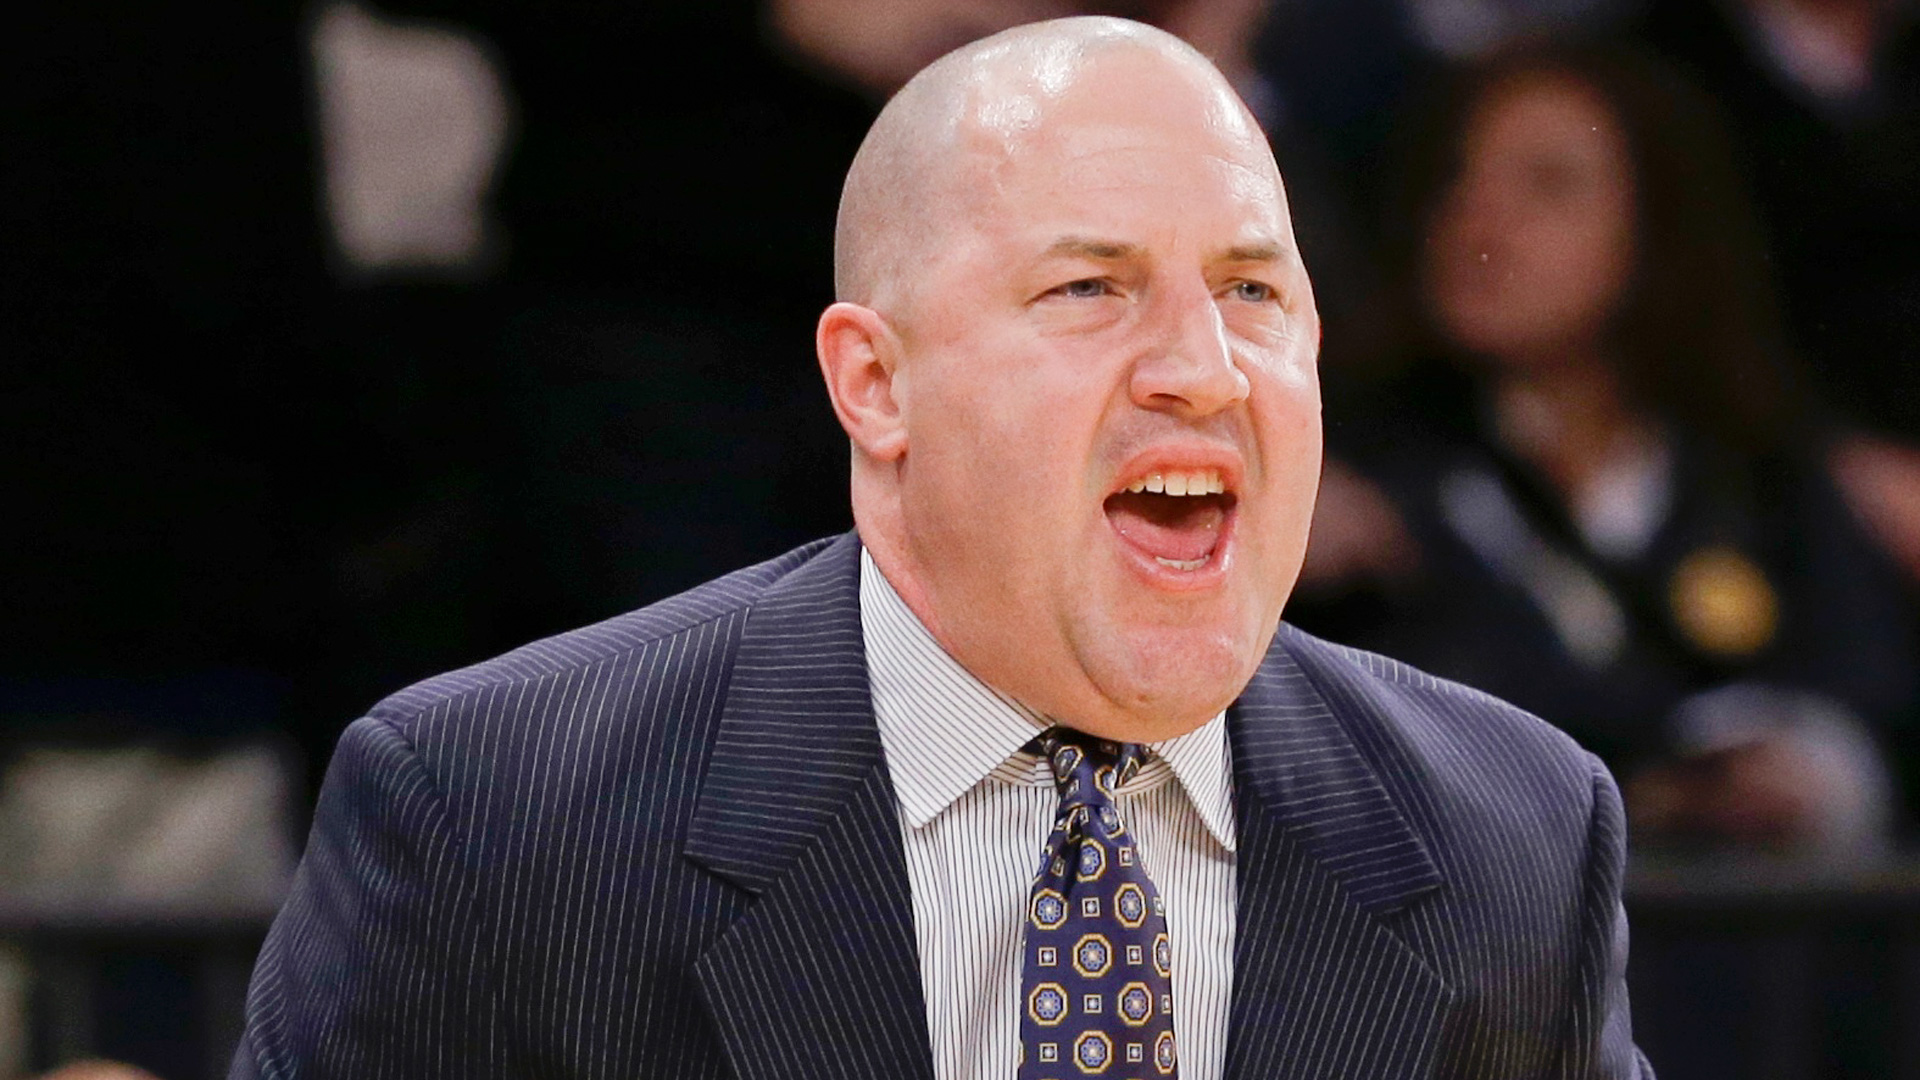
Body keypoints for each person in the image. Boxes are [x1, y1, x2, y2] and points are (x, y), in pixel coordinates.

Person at [230, 17, 1651, 1079]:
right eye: (1090, 287)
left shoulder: (1516, 838)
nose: (1203, 370)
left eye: (1251, 293)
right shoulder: (495, 823)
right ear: (877, 383)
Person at [1296, 42, 1917, 855]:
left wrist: (1803, 775)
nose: (1480, 220)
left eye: (1548, 185)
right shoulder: (1345, 477)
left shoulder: (1759, 473)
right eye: (1455, 179)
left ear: (1656, 226)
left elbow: (1872, 699)